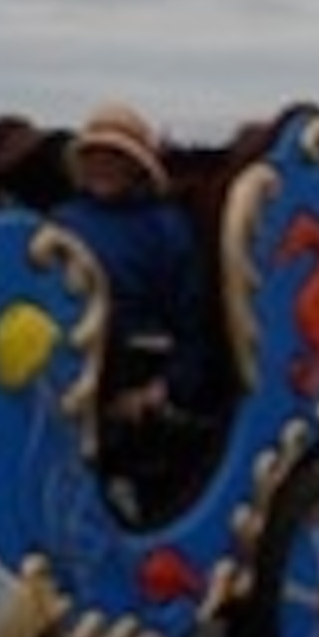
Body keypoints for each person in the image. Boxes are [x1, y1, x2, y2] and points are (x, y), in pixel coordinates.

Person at [54, 101, 218, 424]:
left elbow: (194, 322)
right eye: (94, 156)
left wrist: (164, 388)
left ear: (135, 166)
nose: (102, 165)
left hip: (140, 375)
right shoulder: (58, 224)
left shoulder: (167, 230)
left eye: (114, 157)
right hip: (66, 374)